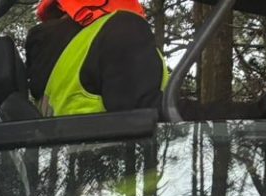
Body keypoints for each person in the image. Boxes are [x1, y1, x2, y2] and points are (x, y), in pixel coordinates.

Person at [26, 0, 167, 118]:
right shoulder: (121, 29)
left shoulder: (54, 52)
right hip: (113, 151)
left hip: (69, 149)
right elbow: (149, 115)